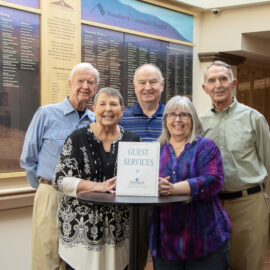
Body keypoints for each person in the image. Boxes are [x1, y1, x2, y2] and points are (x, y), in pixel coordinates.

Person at [20, 62, 99, 270]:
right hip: (51, 194)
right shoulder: (46, 114)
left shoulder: (95, 122)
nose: (85, 86)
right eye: (80, 81)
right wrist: (44, 188)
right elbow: (28, 158)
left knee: (76, 259)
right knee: (47, 258)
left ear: (96, 88)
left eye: (90, 82)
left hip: (82, 198)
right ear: (70, 84)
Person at [53, 87, 141, 270]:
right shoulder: (77, 138)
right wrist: (98, 186)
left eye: (113, 104)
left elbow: (138, 180)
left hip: (119, 232)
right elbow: (60, 179)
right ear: (94, 109)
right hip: (81, 231)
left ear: (122, 110)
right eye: (102, 104)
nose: (108, 109)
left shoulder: (133, 140)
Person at [200, 60, 270, 270]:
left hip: (249, 204)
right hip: (211, 205)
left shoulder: (253, 118)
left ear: (234, 83)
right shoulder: (200, 122)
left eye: (223, 79)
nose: (218, 85)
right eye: (212, 80)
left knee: (249, 264)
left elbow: (268, 160)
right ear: (205, 88)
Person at [149, 95, 231, 270]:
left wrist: (172, 189)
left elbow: (213, 180)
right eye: (172, 114)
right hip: (166, 242)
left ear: (193, 120)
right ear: (165, 120)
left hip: (205, 239)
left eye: (184, 115)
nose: (177, 119)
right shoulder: (154, 150)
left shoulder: (205, 146)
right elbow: (141, 182)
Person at [118, 63, 165, 269]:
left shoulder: (174, 117)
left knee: (165, 259)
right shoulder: (122, 118)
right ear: (134, 86)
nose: (148, 87)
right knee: (133, 259)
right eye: (142, 82)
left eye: (153, 82)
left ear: (162, 84)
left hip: (166, 199)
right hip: (132, 203)